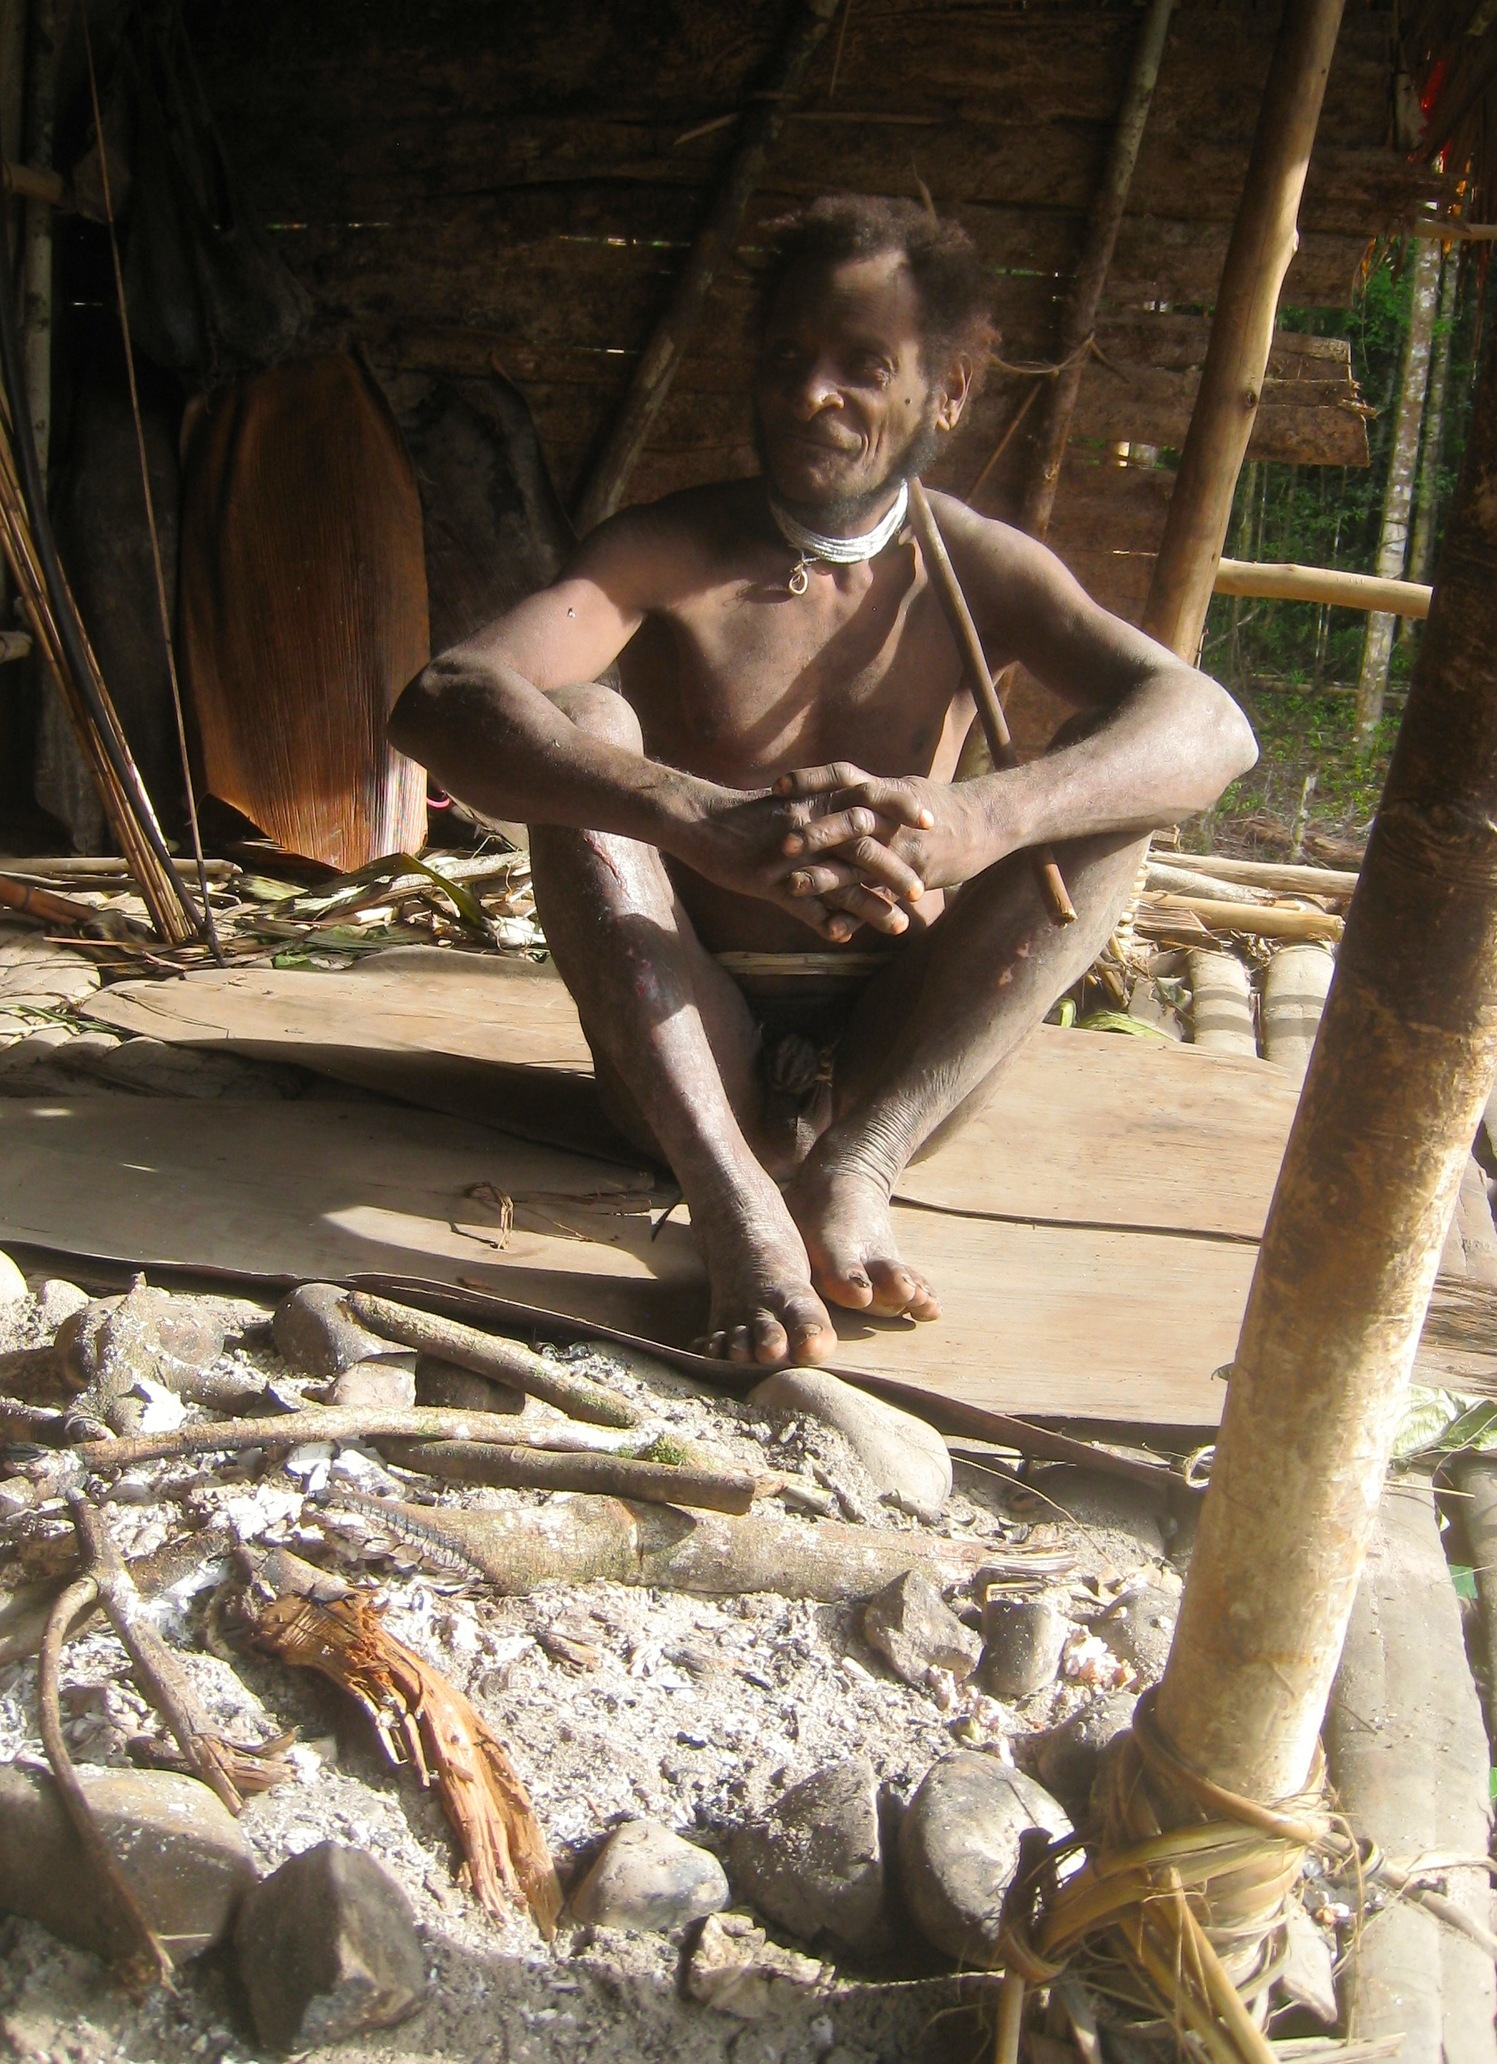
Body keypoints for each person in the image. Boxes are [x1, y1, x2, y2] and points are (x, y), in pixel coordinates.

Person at [390, 193, 1257, 1367]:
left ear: (943, 393)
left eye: (865, 365)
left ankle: (859, 1169)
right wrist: (691, 817)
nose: (813, 397)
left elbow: (1210, 727)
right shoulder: (667, 549)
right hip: (677, 1045)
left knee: (1112, 810)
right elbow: (443, 697)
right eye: (788, 359)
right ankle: (732, 1200)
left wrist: (978, 818)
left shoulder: (980, 567)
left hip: (898, 1061)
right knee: (584, 722)